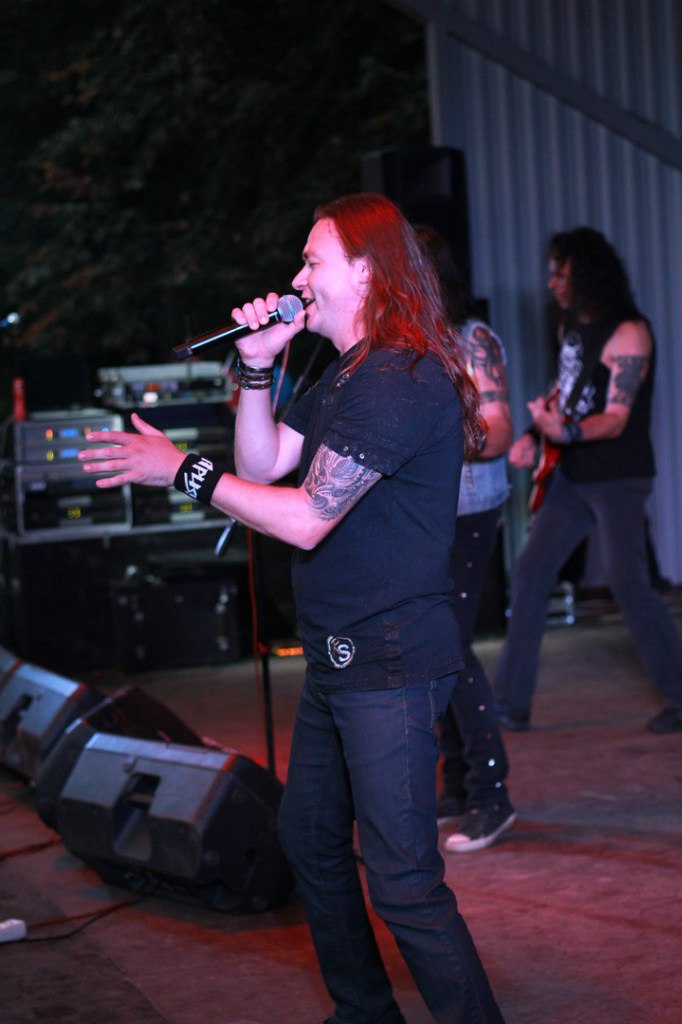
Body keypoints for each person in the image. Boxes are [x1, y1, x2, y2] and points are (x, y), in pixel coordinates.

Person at [80, 193, 506, 1024]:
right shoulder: (346, 371)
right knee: (308, 837)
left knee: (404, 883)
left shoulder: (403, 376)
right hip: (338, 655)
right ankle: (364, 1012)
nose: (296, 277)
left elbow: (307, 517)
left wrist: (181, 470)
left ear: (368, 271)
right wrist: (255, 366)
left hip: (390, 659)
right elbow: (266, 460)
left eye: (312, 261)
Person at [494, 226, 682, 735]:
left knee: (627, 582)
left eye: (561, 273)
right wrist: (536, 434)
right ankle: (510, 705)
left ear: (587, 273)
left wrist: (567, 431)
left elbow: (617, 418)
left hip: (619, 475)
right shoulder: (568, 327)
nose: (552, 283)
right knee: (531, 574)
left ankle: (679, 694)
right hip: (574, 475)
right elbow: (567, 390)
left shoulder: (630, 332)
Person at [417, 227, 516, 853]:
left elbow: (500, 429)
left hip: (470, 510)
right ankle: (456, 783)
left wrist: (435, 440)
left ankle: (491, 794)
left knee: (450, 645)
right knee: (437, 645)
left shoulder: (471, 338)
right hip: (430, 514)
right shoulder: (410, 341)